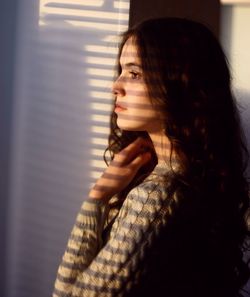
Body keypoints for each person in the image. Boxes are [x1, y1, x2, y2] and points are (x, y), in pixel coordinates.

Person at [52, 17, 250, 297]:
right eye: (121, 71)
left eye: (134, 74)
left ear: (179, 82)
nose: (116, 86)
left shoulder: (156, 196)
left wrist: (96, 199)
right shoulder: (203, 178)